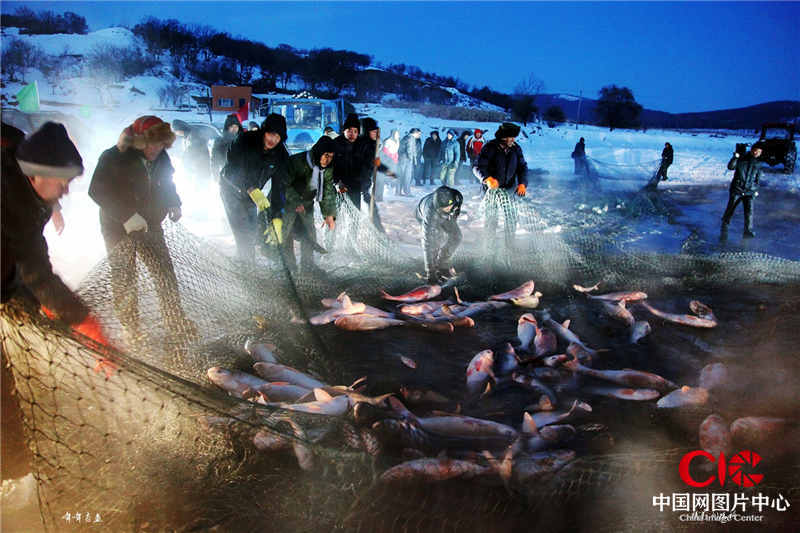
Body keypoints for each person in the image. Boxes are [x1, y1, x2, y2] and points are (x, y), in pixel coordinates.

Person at [89, 116, 195, 342]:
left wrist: (174, 201)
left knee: (164, 272)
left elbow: (167, 182)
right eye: (151, 144)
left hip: (150, 223)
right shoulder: (113, 157)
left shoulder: (161, 157)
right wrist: (126, 216)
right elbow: (97, 191)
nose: (155, 149)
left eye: (160, 144)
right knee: (125, 276)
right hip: (118, 226)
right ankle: (132, 327)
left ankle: (174, 318)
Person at [220, 113, 288, 262]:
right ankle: (246, 265)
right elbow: (231, 169)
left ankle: (242, 259)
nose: (273, 140)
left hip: (253, 193)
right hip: (231, 189)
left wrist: (276, 216)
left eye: (278, 137)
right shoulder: (245, 140)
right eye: (271, 134)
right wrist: (248, 188)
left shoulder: (280, 155)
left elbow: (280, 187)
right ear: (264, 131)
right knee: (242, 230)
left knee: (252, 228)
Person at [281, 136, 337, 273]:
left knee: (309, 234)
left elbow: (327, 191)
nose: (327, 159)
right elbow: (283, 184)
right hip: (286, 202)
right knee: (285, 235)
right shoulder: (297, 162)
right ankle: (289, 269)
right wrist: (296, 201)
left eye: (331, 156)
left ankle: (308, 267)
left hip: (306, 203)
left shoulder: (327, 170)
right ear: (318, 152)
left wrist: (329, 214)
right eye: (326, 155)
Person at [473, 122, 528, 257]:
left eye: (514, 137)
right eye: (510, 137)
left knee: (511, 218)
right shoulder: (490, 148)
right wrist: (487, 178)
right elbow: (477, 167)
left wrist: (522, 183)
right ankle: (489, 248)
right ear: (503, 137)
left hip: (509, 189)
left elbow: (522, 167)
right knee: (491, 219)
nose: (513, 140)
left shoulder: (516, 149)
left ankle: (510, 246)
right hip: (491, 191)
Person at [415, 186, 463, 283]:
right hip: (423, 214)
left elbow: (455, 213)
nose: (443, 210)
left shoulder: (457, 197)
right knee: (435, 240)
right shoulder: (430, 214)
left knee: (457, 236)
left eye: (445, 208)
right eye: (441, 209)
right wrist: (430, 273)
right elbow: (428, 243)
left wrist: (451, 219)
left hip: (445, 216)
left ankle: (442, 264)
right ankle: (433, 267)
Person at [355, 118, 396, 231]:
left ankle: (377, 227)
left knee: (368, 202)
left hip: (364, 181)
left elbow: (375, 161)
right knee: (362, 204)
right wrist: (384, 169)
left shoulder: (370, 144)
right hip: (356, 181)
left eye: (377, 131)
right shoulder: (362, 144)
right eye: (373, 132)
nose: (376, 134)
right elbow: (372, 162)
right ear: (367, 131)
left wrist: (386, 170)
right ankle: (376, 228)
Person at [721, 143, 762, 239]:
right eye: (756, 150)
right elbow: (730, 167)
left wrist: (755, 189)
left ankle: (748, 230)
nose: (757, 153)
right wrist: (735, 157)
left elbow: (757, 178)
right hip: (737, 189)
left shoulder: (758, 163)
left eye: (759, 151)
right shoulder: (742, 158)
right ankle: (725, 224)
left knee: (749, 211)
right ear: (752, 150)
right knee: (731, 208)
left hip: (750, 191)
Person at [332, 113, 363, 204]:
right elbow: (330, 165)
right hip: (339, 184)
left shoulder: (361, 145)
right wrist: (337, 182)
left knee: (354, 212)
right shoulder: (335, 144)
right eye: (349, 130)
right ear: (344, 131)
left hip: (355, 185)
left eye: (355, 131)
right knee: (339, 211)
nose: (352, 134)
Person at [211, 114, 241, 181]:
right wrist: (215, 177)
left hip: (241, 177)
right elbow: (214, 161)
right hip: (225, 176)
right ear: (227, 127)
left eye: (236, 126)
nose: (234, 129)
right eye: (232, 127)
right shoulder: (220, 142)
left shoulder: (241, 140)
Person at [396, 128, 421, 196]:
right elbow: (409, 149)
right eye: (419, 133)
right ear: (415, 133)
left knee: (401, 175)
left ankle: (398, 192)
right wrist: (411, 159)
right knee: (407, 176)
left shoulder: (406, 137)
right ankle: (407, 192)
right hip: (406, 160)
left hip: (402, 159)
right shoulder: (411, 138)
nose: (420, 135)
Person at [380, 129, 401, 201]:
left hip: (394, 159)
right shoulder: (388, 140)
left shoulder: (397, 140)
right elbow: (384, 151)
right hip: (388, 159)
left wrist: (396, 156)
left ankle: (392, 188)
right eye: (396, 134)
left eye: (398, 134)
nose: (397, 135)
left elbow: (396, 150)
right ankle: (385, 188)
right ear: (393, 134)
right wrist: (390, 156)